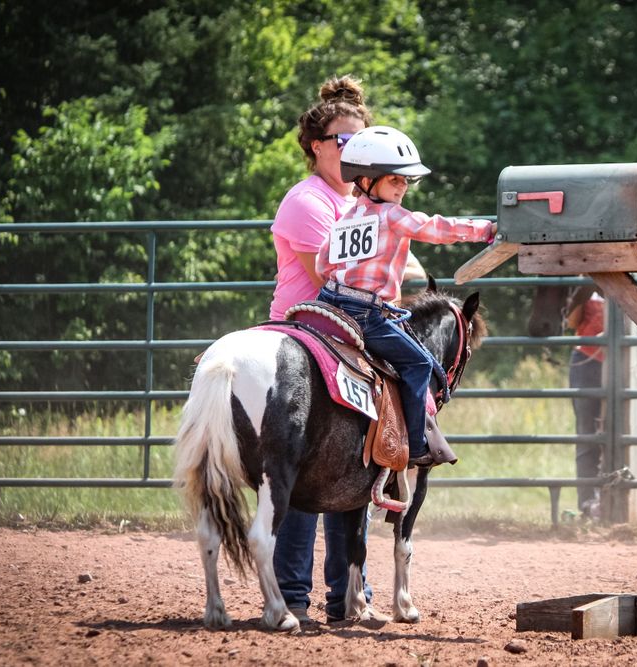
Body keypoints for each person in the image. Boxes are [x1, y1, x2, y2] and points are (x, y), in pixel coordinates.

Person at [315, 126, 496, 467]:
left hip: (329, 303)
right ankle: (415, 444)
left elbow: (323, 263)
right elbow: (435, 228)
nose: (402, 187)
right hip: (367, 315)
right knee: (419, 362)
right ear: (366, 180)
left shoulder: (346, 217)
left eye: (405, 181)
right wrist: (484, 229)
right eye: (393, 180)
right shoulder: (392, 215)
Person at [268, 75, 380, 625]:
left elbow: (396, 266)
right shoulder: (307, 201)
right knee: (305, 468)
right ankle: (293, 595)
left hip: (349, 330)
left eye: (360, 142)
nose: (350, 152)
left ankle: (348, 595)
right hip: (308, 328)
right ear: (316, 145)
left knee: (358, 461)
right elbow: (326, 278)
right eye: (341, 141)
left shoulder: (361, 201)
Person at [565, 285, 606, 520]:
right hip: (586, 360)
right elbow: (572, 322)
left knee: (618, 430)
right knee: (586, 432)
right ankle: (588, 501)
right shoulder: (585, 284)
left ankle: (613, 495)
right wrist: (580, 294)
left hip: (619, 359)